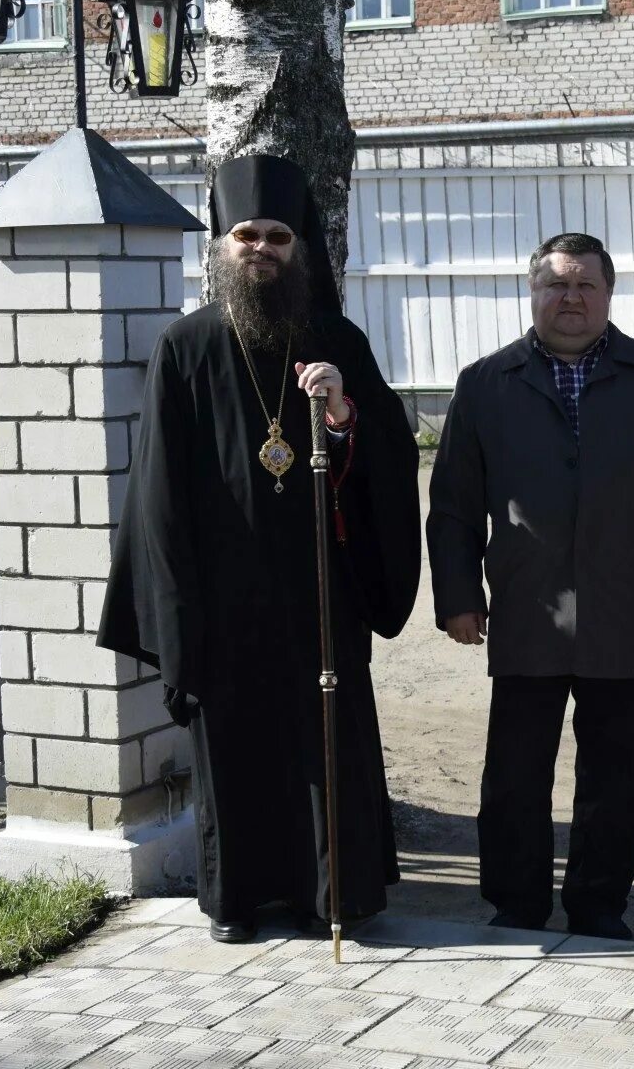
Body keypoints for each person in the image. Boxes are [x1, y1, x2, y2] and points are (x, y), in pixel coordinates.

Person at [98, 153, 422, 944]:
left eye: (277, 235)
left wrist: (342, 414)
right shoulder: (187, 348)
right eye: (247, 234)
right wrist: (177, 618)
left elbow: (388, 455)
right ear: (222, 244)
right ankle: (237, 902)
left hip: (321, 593)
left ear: (298, 245)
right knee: (235, 752)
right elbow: (158, 496)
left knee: (325, 745)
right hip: (223, 600)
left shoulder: (335, 338)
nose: (262, 248)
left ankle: (329, 899)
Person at [427, 232, 634, 940]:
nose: (571, 298)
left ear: (609, 294)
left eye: (586, 284)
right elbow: (454, 504)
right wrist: (460, 598)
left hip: (627, 605)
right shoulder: (487, 383)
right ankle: (516, 903)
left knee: (616, 776)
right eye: (556, 284)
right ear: (533, 293)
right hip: (527, 607)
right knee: (515, 775)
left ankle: (598, 906)